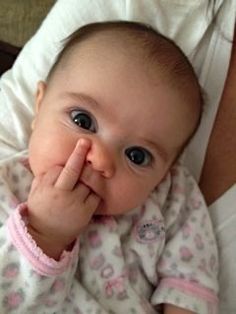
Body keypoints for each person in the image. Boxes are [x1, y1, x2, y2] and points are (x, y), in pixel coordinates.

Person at [0, 21, 218, 314]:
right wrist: (43, 232)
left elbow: (191, 280)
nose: (100, 160)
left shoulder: (172, 194)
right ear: (39, 107)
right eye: (82, 121)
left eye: (137, 156)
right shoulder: (6, 187)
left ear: (165, 171)